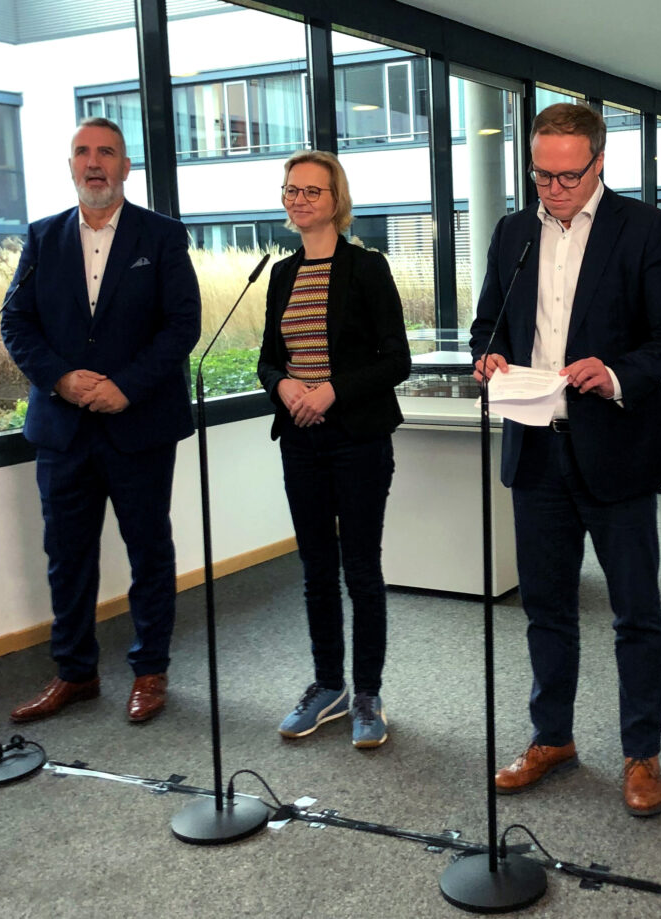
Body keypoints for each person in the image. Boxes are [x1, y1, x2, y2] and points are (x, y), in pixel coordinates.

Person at [470, 103, 661, 817]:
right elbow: (487, 322)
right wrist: (490, 355)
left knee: (635, 610)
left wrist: (618, 370)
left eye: (570, 175)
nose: (555, 188)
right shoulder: (512, 231)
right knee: (545, 606)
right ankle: (552, 737)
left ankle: (641, 753)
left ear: (601, 162)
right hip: (534, 447)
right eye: (543, 174)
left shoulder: (648, 230)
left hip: (617, 448)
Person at [2, 117, 201, 724]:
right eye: (83, 153)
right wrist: (60, 379)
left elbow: (181, 325)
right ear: (69, 166)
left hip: (136, 424)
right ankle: (75, 672)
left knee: (148, 550)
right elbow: (16, 324)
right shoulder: (41, 238)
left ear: (125, 166)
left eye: (106, 152)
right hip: (62, 428)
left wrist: (125, 388)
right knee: (66, 555)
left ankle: (149, 671)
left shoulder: (161, 236)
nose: (94, 163)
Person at [257, 151, 410, 749]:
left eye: (311, 192)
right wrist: (285, 385)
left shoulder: (367, 268)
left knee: (361, 569)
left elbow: (396, 359)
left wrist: (330, 392)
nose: (299, 200)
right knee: (316, 570)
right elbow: (270, 358)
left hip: (357, 440)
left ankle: (367, 692)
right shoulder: (280, 274)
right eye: (291, 190)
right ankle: (328, 686)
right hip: (300, 441)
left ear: (335, 201)